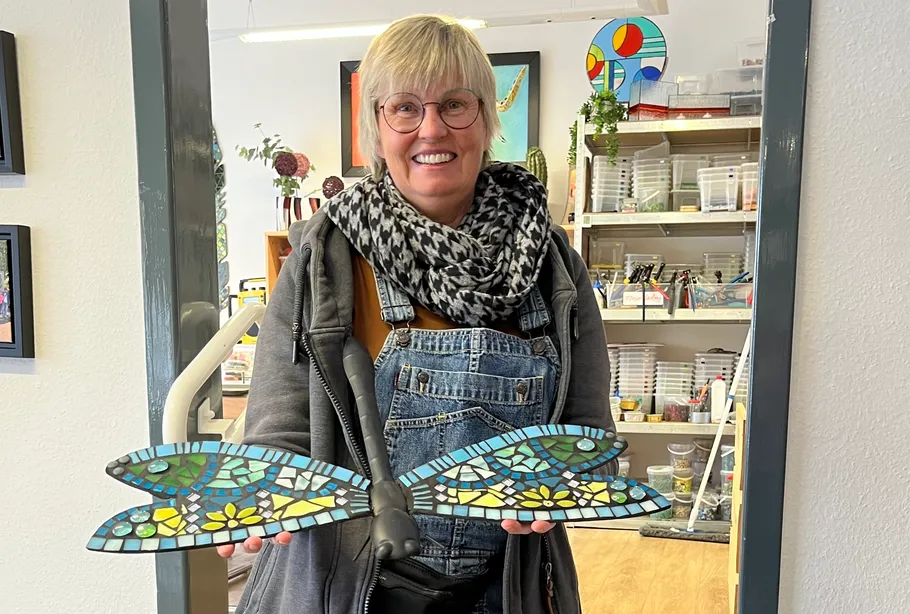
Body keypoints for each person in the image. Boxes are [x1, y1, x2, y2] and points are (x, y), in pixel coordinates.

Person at [221, 14, 616, 614]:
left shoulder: (552, 263)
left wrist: (562, 487)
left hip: (505, 592)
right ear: (376, 129)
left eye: (455, 104)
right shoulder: (324, 260)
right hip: (345, 591)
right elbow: (279, 430)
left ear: (486, 120)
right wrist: (260, 495)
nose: (432, 128)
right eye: (404, 108)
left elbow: (590, 439)